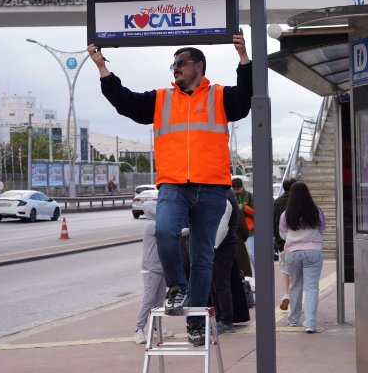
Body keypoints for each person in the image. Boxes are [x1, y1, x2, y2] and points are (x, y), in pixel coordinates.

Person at [90, 28, 252, 348]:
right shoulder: (161, 99)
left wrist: (243, 58)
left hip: (211, 188)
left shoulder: (220, 96)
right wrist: (101, 68)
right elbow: (126, 103)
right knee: (164, 231)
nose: (175, 67)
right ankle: (177, 286)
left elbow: (246, 100)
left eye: (181, 61)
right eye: (173, 63)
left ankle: (195, 323)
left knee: (203, 258)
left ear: (199, 66)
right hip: (174, 185)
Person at [278, 182, 325, 333]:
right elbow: (322, 228)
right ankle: (310, 323)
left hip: (292, 253)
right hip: (312, 251)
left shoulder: (286, 214)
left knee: (295, 285)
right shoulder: (316, 211)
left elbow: (282, 234)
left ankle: (293, 320)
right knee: (311, 288)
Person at [133, 201, 175, 344]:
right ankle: (138, 330)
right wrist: (191, 230)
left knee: (158, 300)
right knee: (148, 299)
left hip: (160, 268)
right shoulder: (152, 225)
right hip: (150, 269)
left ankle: (157, 328)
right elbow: (173, 233)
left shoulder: (158, 223)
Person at [210, 189, 239, 334]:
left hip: (222, 245)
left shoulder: (225, 196)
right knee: (216, 283)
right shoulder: (227, 193)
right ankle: (220, 318)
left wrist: (213, 246)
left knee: (220, 283)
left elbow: (222, 227)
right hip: (223, 244)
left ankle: (226, 320)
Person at [273, 177, 296, 310]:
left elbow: (273, 222)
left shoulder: (277, 203)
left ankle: (286, 295)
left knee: (284, 270)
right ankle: (295, 296)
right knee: (298, 273)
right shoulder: (300, 202)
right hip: (299, 243)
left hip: (282, 243)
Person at [233, 177, 255, 273]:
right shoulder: (230, 196)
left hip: (249, 230)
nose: (236, 191)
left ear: (242, 187)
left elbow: (256, 213)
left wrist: (244, 208)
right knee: (239, 257)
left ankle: (259, 275)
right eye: (234, 189)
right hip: (235, 231)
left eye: (238, 189)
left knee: (251, 254)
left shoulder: (250, 196)